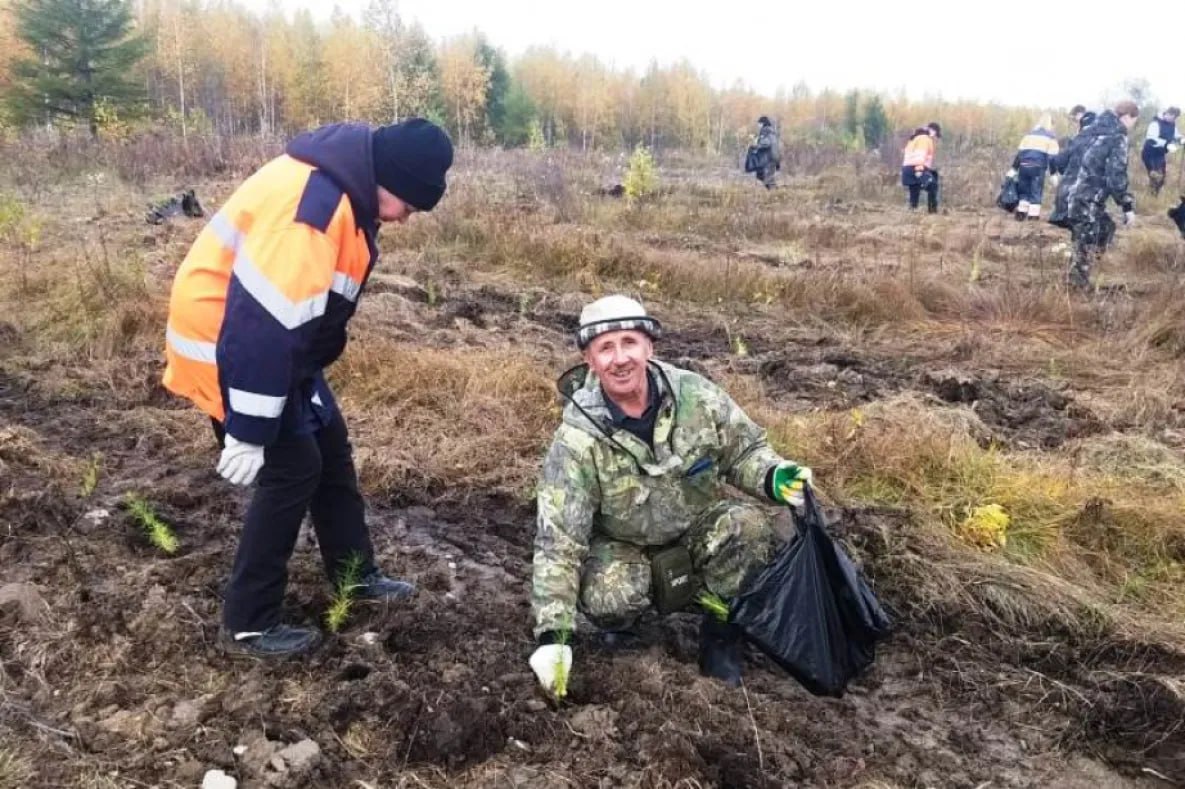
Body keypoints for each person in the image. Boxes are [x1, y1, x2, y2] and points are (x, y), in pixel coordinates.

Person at [162, 118, 454, 657]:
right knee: (292, 467)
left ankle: (353, 574)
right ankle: (249, 622)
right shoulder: (312, 214)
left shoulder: (345, 193)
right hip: (230, 351)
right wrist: (248, 430)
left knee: (330, 449)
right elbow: (263, 325)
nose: (406, 218)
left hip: (274, 352)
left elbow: (290, 318)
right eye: (408, 204)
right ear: (385, 178)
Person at [528, 295, 813, 692]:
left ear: (649, 346)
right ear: (589, 360)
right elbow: (559, 540)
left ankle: (721, 629)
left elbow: (745, 451)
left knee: (746, 528)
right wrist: (553, 638)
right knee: (610, 595)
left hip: (696, 529)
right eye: (605, 348)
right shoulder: (577, 439)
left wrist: (774, 475)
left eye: (629, 342)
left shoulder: (695, 395)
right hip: (623, 545)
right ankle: (627, 629)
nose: (620, 358)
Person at [1049, 101, 1139, 289]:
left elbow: (1059, 160)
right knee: (1088, 239)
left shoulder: (1086, 131)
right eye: (1134, 121)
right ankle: (1075, 290)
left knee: (1103, 228)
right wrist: (1127, 206)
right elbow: (1116, 175)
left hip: (1065, 196)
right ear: (1127, 116)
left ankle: (1076, 273)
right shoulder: (1117, 136)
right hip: (1085, 200)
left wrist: (1063, 179)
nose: (1132, 126)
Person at [1007, 114, 1060, 220]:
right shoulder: (1050, 137)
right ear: (1050, 124)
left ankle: (1021, 213)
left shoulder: (1029, 135)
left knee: (1024, 190)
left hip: (1023, 166)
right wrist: (1053, 174)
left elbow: (1020, 153)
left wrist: (1013, 169)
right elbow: (1052, 158)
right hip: (1038, 167)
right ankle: (1033, 216)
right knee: (1036, 190)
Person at [1141, 106, 1182, 196]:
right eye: (1173, 117)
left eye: (1175, 118)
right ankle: (1150, 198)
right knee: (1155, 176)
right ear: (1168, 113)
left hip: (1160, 154)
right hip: (1149, 154)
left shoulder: (1172, 125)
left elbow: (1176, 135)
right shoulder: (1155, 123)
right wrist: (1166, 144)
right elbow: (1151, 139)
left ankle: (1153, 196)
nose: (1173, 119)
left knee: (1162, 178)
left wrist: (1181, 139)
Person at [901, 122, 941, 213]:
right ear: (932, 131)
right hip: (917, 167)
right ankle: (932, 212)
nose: (935, 137)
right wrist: (919, 168)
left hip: (907, 169)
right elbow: (920, 154)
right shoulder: (925, 139)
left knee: (914, 190)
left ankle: (912, 211)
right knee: (932, 185)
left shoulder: (914, 138)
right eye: (936, 134)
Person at [746, 116, 781, 189]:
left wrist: (755, 141)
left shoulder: (766, 132)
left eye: (759, 124)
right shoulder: (770, 132)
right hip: (770, 158)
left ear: (763, 123)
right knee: (761, 176)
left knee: (767, 178)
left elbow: (766, 143)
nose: (758, 125)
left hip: (769, 159)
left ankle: (775, 194)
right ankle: (774, 192)